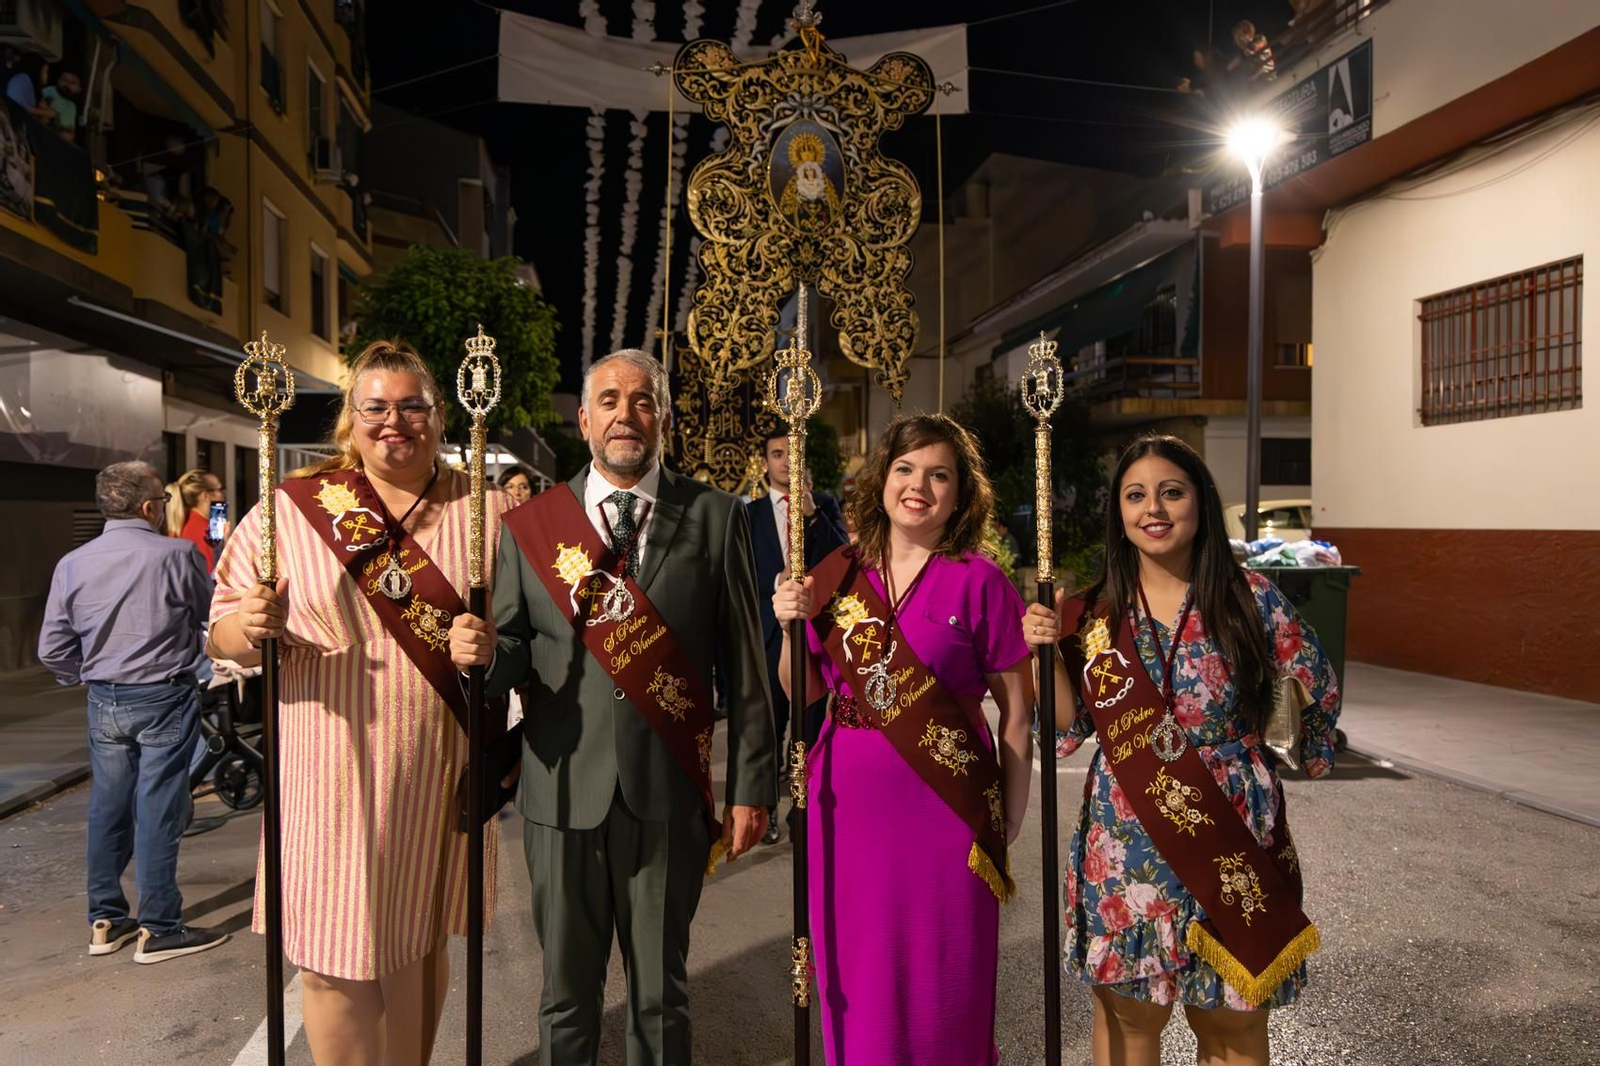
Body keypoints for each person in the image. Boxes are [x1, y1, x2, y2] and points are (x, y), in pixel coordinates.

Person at [448, 348, 775, 1066]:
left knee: (662, 995)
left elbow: (748, 665)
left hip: (667, 795)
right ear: (584, 418)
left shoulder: (718, 517)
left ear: (663, 417)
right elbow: (514, 650)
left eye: (643, 400)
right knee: (565, 996)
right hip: (561, 790)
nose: (627, 414)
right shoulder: (531, 524)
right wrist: (480, 650)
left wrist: (753, 785)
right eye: (610, 400)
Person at [207, 340, 512, 1064]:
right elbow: (221, 632)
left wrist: (496, 648)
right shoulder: (292, 512)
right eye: (375, 407)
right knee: (330, 954)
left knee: (418, 944)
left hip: (437, 769)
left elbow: (534, 637)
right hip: (325, 777)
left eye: (412, 407)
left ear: (440, 418)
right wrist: (250, 629)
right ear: (351, 419)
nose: (394, 422)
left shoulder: (486, 512)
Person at [1022, 434, 1340, 1066]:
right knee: (1128, 1020)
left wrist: (1281, 730)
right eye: (1135, 495)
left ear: (1199, 501)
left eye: (1171, 491)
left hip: (1233, 830)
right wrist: (1043, 653)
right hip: (1128, 831)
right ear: (1118, 512)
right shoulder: (1091, 615)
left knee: (1234, 1023)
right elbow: (1064, 729)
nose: (1154, 509)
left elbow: (1314, 693)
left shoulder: (1252, 599)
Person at [771, 413, 1035, 1065]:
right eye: (906, 469)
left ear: (960, 493)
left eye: (939, 474)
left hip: (951, 815)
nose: (920, 485)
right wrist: (785, 623)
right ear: (882, 479)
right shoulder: (834, 573)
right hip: (845, 814)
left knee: (947, 985)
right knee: (854, 983)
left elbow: (1018, 714)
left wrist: (1009, 819)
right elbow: (800, 688)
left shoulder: (982, 582)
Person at [37, 461, 229, 964]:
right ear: (148, 507)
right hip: (164, 695)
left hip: (105, 697)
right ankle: (160, 926)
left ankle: (105, 919)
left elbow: (53, 648)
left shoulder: (72, 563)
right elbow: (212, 613)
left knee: (108, 808)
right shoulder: (178, 554)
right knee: (158, 810)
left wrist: (86, 673)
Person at [746, 431, 847, 843]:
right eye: (777, 454)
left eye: (794, 453)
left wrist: (811, 518)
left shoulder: (823, 506)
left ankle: (801, 812)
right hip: (769, 634)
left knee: (809, 727)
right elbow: (738, 575)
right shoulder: (749, 515)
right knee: (768, 728)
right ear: (764, 462)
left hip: (816, 636)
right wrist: (777, 583)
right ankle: (766, 810)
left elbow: (845, 560)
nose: (787, 460)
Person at [165, 468, 226, 571]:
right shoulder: (207, 531)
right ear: (205, 496)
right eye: (220, 489)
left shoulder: (183, 523)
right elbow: (217, 575)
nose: (223, 494)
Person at [5, 53, 56, 123]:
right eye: (45, 71)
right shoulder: (21, 79)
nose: (47, 75)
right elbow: (19, 106)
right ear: (37, 70)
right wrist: (43, 112)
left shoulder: (34, 87)